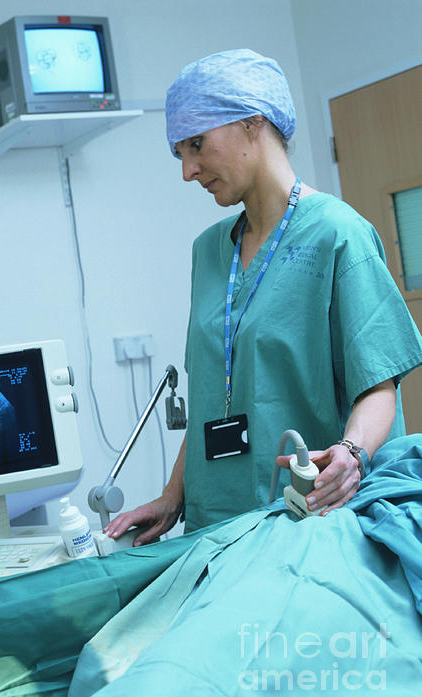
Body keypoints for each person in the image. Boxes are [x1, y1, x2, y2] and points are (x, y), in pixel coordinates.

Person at [106, 49, 422, 545]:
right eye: (180, 154)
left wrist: (353, 452)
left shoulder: (337, 235)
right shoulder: (209, 252)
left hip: (313, 515)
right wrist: (174, 494)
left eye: (196, 144)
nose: (188, 171)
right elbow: (215, 390)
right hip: (218, 521)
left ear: (253, 123)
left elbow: (379, 383)